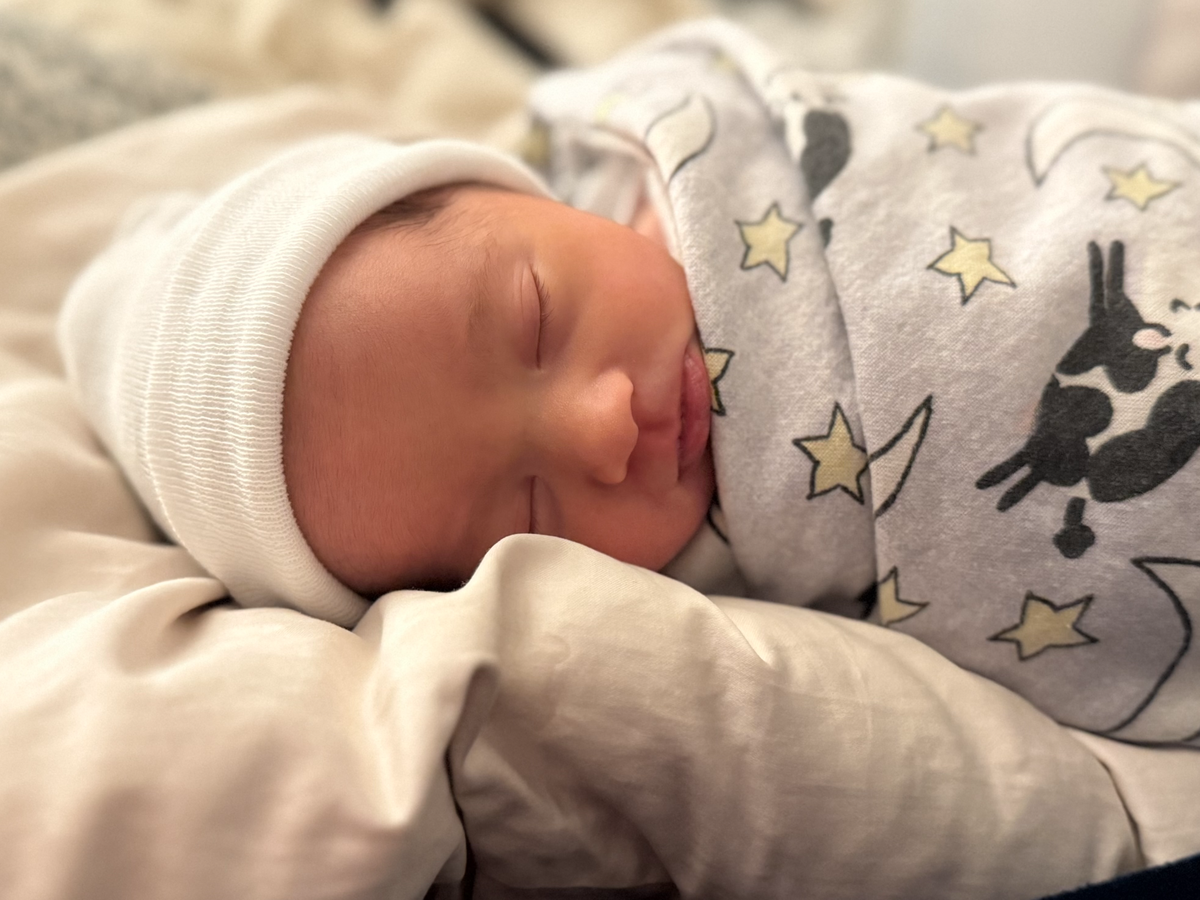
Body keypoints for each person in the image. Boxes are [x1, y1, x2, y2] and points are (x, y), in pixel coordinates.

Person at [59, 18, 1200, 744]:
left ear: (514, 190)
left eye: (534, 322)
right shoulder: (694, 621)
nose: (604, 425)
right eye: (528, 507)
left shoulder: (677, 139)